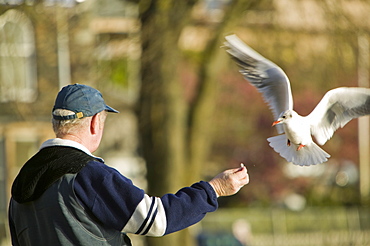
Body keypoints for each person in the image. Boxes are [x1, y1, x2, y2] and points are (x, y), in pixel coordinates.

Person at [8, 84, 249, 246]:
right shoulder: (88, 174)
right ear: (94, 124)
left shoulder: (21, 183)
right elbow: (156, 220)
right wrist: (214, 189)